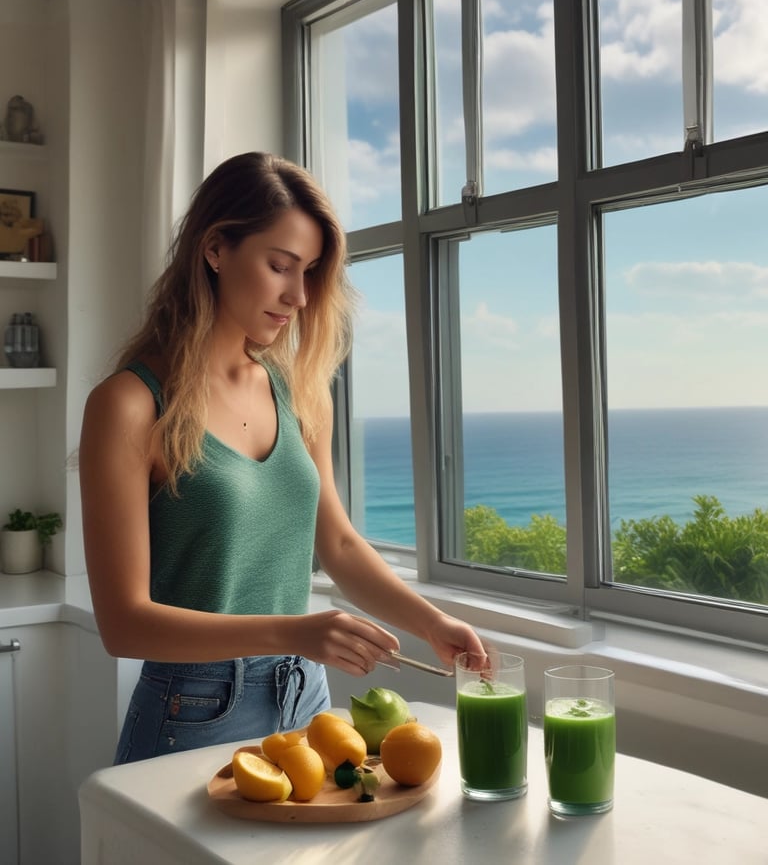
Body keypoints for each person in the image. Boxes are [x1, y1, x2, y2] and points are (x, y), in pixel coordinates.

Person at [79, 151, 485, 764]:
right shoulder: (129, 406)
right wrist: (293, 630)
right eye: (280, 266)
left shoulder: (296, 390)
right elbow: (123, 623)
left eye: (311, 272)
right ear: (216, 249)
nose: (299, 295)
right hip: (192, 712)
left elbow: (339, 545)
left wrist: (431, 624)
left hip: (307, 700)